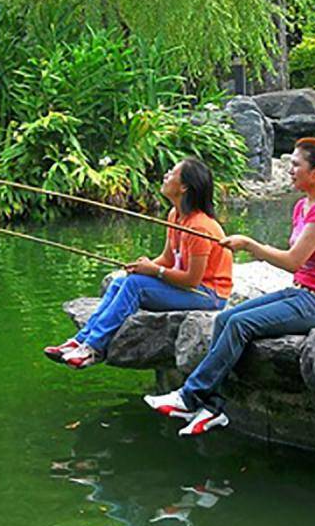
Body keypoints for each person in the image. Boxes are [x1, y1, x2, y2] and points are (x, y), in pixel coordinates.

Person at [146, 136, 315, 435]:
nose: (290, 170)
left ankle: (189, 396)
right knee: (226, 318)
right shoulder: (302, 206)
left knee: (240, 324)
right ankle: (213, 407)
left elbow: (293, 261)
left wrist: (249, 244)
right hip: (303, 293)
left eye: (296, 165)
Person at [44, 157, 233, 368]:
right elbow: (169, 258)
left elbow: (192, 279)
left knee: (135, 286)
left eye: (171, 174)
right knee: (122, 281)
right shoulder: (175, 215)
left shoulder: (199, 227)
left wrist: (154, 271)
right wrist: (141, 268)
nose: (165, 175)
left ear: (184, 188)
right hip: (192, 288)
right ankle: (79, 340)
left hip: (209, 295)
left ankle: (93, 349)